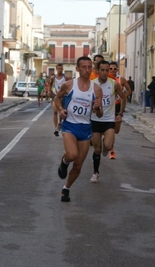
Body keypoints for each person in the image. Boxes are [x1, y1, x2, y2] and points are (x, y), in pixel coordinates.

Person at [54, 56, 103, 202]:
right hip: (70, 125)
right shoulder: (69, 85)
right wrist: (61, 109)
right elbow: (56, 98)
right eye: (84, 67)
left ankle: (66, 188)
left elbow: (99, 114)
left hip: (86, 128)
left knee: (78, 165)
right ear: (77, 69)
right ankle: (64, 161)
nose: (87, 70)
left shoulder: (96, 89)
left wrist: (97, 108)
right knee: (72, 154)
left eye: (90, 67)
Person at [90, 60, 125, 183]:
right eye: (102, 70)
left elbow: (123, 97)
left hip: (109, 119)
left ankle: (106, 146)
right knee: (97, 150)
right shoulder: (92, 84)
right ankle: (95, 172)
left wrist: (120, 114)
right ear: (98, 71)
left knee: (108, 146)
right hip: (94, 120)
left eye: (107, 70)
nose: (105, 73)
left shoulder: (114, 84)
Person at [108, 61, 131, 159]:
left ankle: (108, 138)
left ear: (117, 69)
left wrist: (123, 97)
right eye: (111, 69)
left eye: (115, 68)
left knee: (116, 130)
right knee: (111, 129)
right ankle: (111, 150)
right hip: (108, 107)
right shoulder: (106, 79)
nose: (113, 70)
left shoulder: (121, 79)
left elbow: (129, 90)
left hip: (117, 106)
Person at [50, 63, 70, 137]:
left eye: (61, 69)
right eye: (59, 69)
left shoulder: (66, 77)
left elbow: (70, 85)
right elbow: (50, 84)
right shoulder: (53, 77)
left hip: (63, 96)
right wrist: (49, 92)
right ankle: (55, 128)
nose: (60, 70)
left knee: (61, 111)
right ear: (56, 69)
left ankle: (59, 123)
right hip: (55, 96)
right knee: (55, 111)